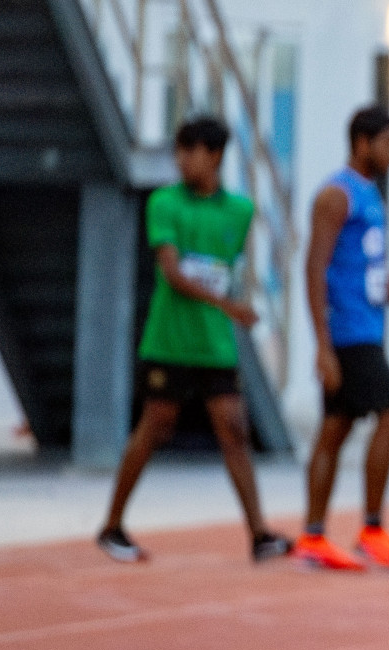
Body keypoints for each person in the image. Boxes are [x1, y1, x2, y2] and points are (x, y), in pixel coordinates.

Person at [97, 116, 291, 564]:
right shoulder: (164, 203)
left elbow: (219, 270)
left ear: (215, 155)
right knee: (155, 427)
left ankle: (260, 534)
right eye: (178, 152)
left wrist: (225, 308)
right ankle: (112, 525)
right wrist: (231, 307)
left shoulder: (240, 211)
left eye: (191, 151)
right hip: (169, 342)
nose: (182, 161)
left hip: (215, 345)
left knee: (234, 429)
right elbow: (173, 273)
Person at [293, 106, 389, 571]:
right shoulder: (336, 196)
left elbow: (382, 276)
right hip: (348, 333)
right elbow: (313, 267)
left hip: (367, 329)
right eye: (387, 142)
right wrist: (322, 346)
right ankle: (372, 529)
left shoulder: (371, 198)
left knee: (336, 430)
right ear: (362, 143)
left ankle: (314, 535)